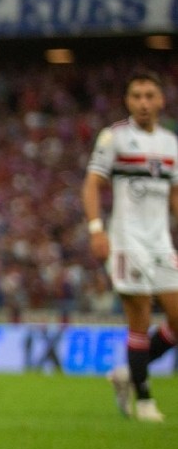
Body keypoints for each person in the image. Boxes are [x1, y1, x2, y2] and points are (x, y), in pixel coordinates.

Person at [84, 70, 178, 423]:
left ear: (161, 100)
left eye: (149, 95)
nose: (143, 102)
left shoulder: (170, 143)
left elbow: (175, 194)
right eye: (136, 96)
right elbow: (91, 184)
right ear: (127, 101)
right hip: (126, 241)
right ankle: (145, 400)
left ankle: (127, 373)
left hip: (161, 242)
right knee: (139, 318)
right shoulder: (115, 138)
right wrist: (97, 229)